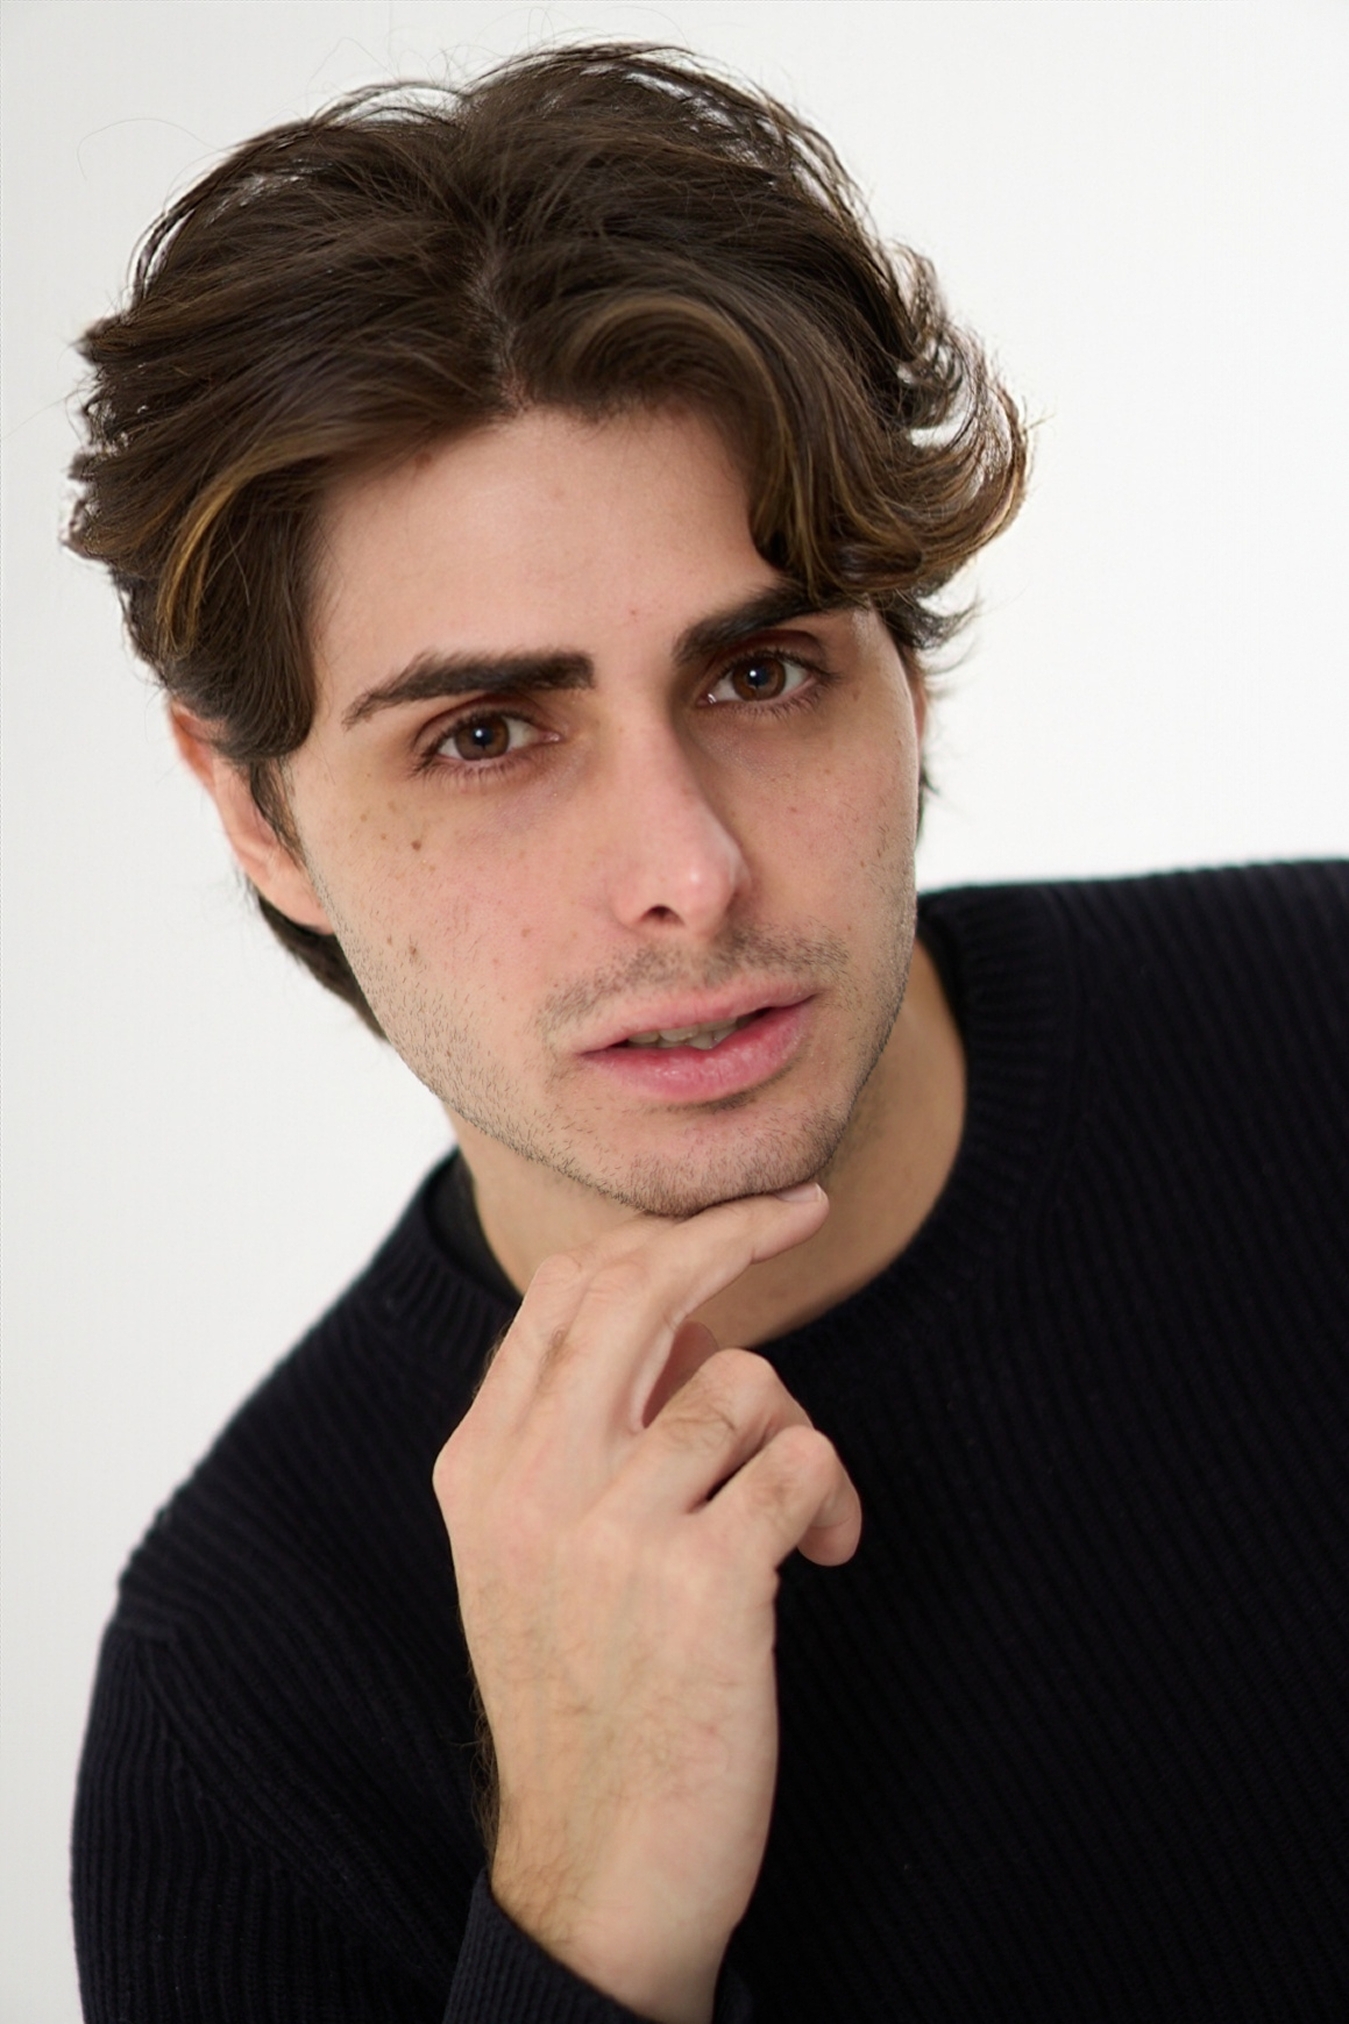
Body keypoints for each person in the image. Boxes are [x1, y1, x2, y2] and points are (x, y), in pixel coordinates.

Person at [67, 41, 1348, 2024]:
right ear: (255, 811)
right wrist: (584, 1917)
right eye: (487, 733)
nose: (687, 870)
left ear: (905, 674)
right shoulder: (247, 1700)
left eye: (760, 673)